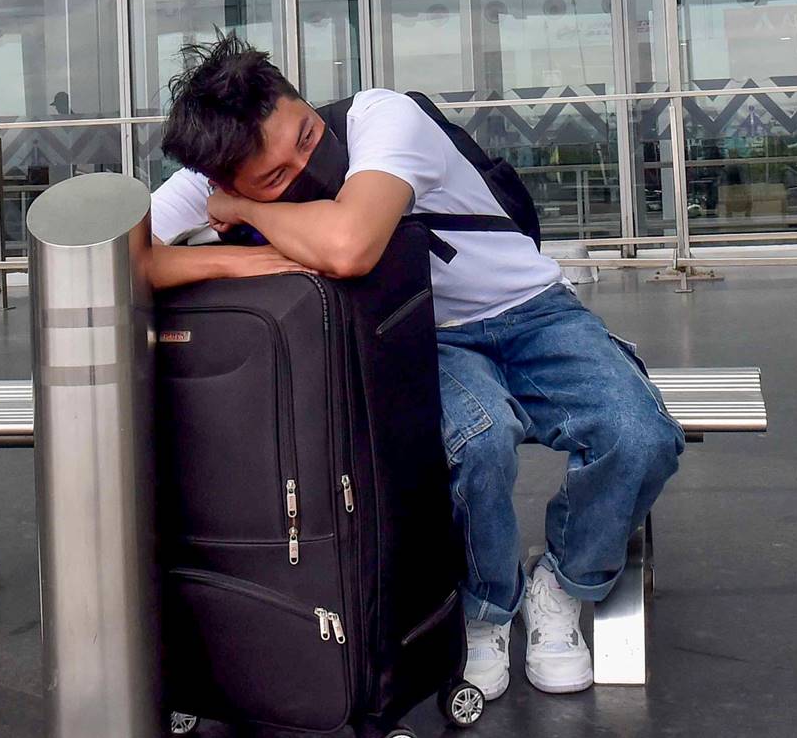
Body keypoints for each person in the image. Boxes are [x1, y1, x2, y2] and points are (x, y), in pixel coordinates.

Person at [145, 36, 682, 700]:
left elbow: (349, 245)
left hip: (533, 308)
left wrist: (253, 210)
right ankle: (486, 609)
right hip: (427, 338)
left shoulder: (382, 117)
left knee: (639, 436)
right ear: (221, 178)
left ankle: (563, 585)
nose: (309, 160)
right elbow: (128, 258)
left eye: (308, 136)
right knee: (475, 445)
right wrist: (250, 257)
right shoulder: (205, 179)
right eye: (277, 176)